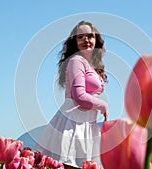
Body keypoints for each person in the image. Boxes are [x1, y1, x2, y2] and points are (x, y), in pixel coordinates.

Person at [35, 21, 109, 169]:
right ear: (75, 42)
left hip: (87, 124)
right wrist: (103, 105)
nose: (86, 40)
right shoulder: (76, 61)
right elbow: (79, 95)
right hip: (73, 123)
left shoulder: (93, 67)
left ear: (96, 40)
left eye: (89, 36)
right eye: (80, 37)